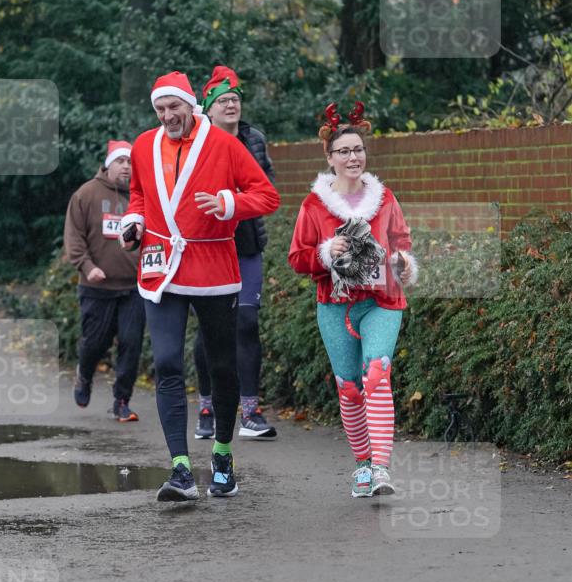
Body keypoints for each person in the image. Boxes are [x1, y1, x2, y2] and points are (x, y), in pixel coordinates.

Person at [119, 71, 280, 502]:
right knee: (168, 364)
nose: (168, 115)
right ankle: (181, 469)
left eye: (175, 107)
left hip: (213, 265)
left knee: (222, 366)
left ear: (192, 105)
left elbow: (266, 196)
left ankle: (223, 457)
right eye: (160, 109)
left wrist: (229, 203)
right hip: (161, 266)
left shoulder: (226, 145)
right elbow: (138, 194)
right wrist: (134, 222)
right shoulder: (143, 145)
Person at [288, 102, 418, 497]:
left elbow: (402, 244)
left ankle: (381, 469)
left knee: (377, 375)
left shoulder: (385, 199)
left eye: (358, 149)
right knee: (349, 386)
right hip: (335, 304)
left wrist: (402, 263)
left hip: (381, 301)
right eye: (343, 151)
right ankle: (362, 464)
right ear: (329, 158)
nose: (352, 157)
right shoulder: (313, 206)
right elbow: (297, 258)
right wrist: (327, 252)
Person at [193, 65, 277, 442]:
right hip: (208, 246)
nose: (231, 105)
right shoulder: (197, 141)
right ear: (208, 108)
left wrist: (235, 201)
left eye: (235, 99)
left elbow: (267, 188)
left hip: (245, 245)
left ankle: (249, 410)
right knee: (210, 328)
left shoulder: (253, 139)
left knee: (246, 324)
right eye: (223, 100)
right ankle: (207, 406)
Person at [64, 140, 145, 422]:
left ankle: (122, 401)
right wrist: (87, 266)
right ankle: (84, 375)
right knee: (95, 343)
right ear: (108, 164)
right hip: (97, 286)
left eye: (130, 162)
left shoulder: (142, 196)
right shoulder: (86, 194)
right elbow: (74, 238)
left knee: (131, 344)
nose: (126, 167)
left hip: (135, 287)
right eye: (120, 161)